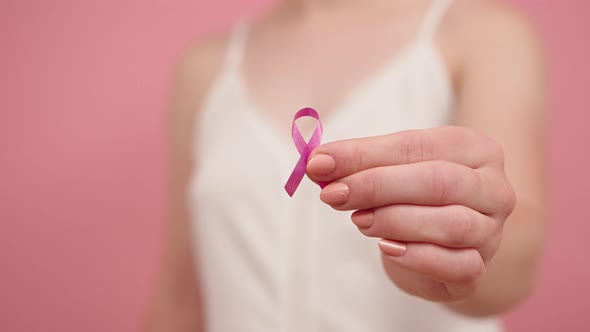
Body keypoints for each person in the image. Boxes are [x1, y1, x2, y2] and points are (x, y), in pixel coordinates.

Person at [145, 0, 547, 330]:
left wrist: (457, 258)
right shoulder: (206, 69)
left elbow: (516, 257)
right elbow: (181, 298)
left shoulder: (479, 33)